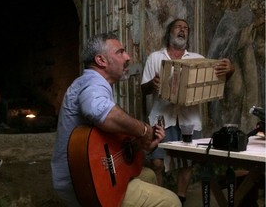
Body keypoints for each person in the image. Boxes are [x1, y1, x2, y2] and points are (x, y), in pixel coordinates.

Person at [51, 33, 181, 207]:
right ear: (101, 60)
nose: (127, 57)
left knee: (149, 175)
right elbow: (98, 112)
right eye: (120, 52)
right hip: (83, 183)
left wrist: (141, 144)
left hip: (93, 174)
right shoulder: (93, 82)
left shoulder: (96, 84)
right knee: (171, 201)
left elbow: (109, 147)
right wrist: (144, 130)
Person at [141, 18, 234, 204]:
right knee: (157, 162)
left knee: (187, 162)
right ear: (169, 33)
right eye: (178, 27)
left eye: (186, 28)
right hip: (161, 118)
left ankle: (181, 198)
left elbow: (218, 80)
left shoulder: (198, 59)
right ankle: (161, 201)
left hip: (189, 119)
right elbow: (143, 90)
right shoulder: (155, 58)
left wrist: (230, 70)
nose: (183, 30)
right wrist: (152, 84)